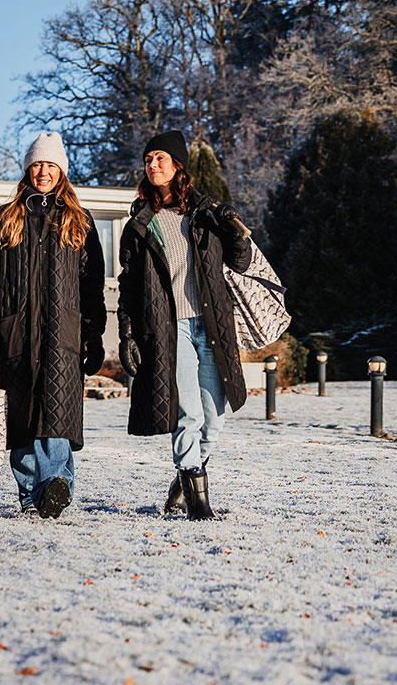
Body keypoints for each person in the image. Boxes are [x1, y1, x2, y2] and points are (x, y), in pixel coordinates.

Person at [117, 130, 252, 520]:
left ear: (178, 166)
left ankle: (184, 477)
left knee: (215, 418)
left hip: (211, 325)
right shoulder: (139, 225)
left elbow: (240, 262)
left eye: (160, 158)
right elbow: (128, 286)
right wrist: (128, 334)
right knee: (188, 413)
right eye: (148, 159)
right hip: (168, 327)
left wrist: (233, 228)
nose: (152, 165)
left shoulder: (205, 216)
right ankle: (197, 499)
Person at [0, 132, 106, 518]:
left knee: (57, 413)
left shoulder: (78, 221)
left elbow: (91, 285)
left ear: (61, 171)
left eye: (51, 165)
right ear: (28, 168)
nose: (43, 171)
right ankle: (34, 494)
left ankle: (55, 485)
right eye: (37, 164)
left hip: (63, 334)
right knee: (22, 419)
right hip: (14, 333)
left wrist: (93, 335)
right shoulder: (4, 218)